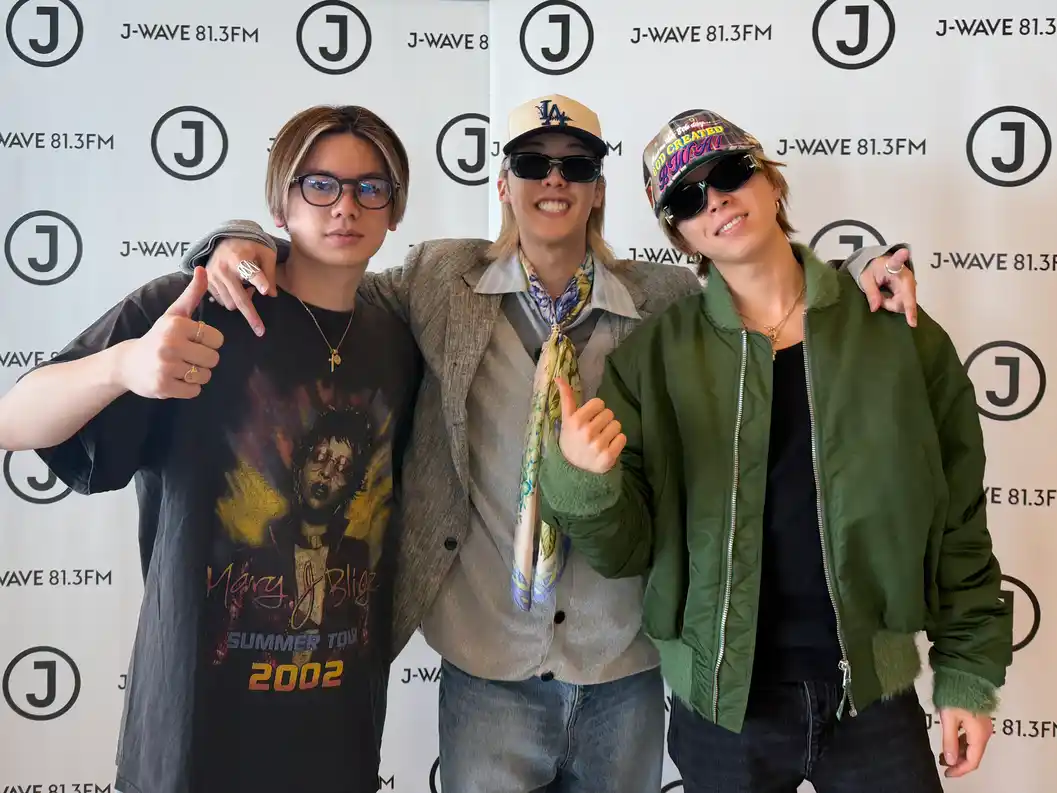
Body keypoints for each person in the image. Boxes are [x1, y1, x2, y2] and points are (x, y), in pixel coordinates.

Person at [176, 94, 921, 792]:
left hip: (622, 664)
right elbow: (329, 282)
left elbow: (764, 296)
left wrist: (859, 275)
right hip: (487, 666)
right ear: (504, 184)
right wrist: (241, 239)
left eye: (577, 165)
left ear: (598, 189)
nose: (555, 180)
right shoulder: (439, 279)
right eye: (534, 163)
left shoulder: (661, 300)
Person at [538, 108, 1013, 793]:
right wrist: (585, 483)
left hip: (872, 697)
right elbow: (625, 550)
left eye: (729, 172)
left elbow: (959, 518)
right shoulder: (655, 359)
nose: (714, 199)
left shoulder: (894, 331)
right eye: (687, 198)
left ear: (770, 181)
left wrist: (967, 671)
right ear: (679, 232)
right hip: (725, 714)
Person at [0, 105, 421, 793]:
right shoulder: (194, 308)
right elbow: (13, 421)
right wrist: (123, 366)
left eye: (369, 188)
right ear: (281, 202)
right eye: (319, 185)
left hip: (339, 742)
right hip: (192, 738)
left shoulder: (398, 343)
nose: (345, 206)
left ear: (394, 210)